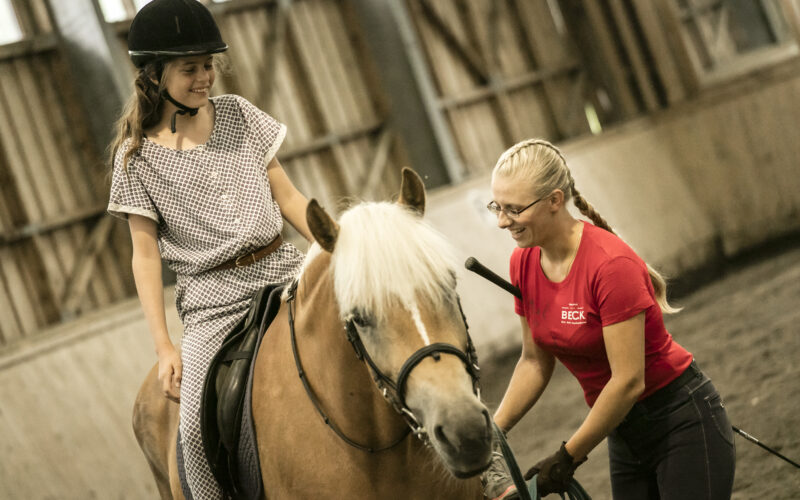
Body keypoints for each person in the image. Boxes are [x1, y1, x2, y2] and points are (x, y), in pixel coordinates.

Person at [107, 0, 312, 497]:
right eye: (189, 69)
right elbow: (146, 256)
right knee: (196, 434)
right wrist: (163, 346)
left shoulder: (240, 115)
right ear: (155, 76)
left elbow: (286, 196)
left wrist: (340, 245)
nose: (204, 78)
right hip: (213, 302)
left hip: (286, 267)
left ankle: (489, 474)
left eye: (208, 66)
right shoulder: (135, 159)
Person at [481, 139, 735, 499]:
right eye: (497, 206)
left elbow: (629, 380)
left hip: (680, 422)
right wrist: (493, 433)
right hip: (624, 430)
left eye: (514, 209)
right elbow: (534, 360)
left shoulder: (609, 265)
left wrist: (567, 457)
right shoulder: (522, 262)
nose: (502, 221)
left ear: (555, 201)